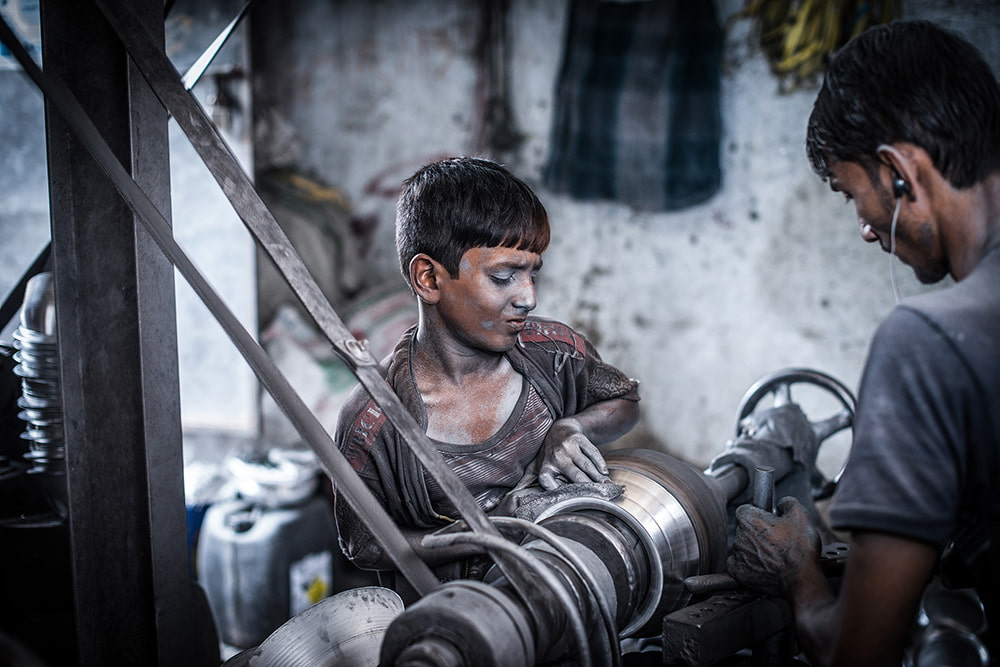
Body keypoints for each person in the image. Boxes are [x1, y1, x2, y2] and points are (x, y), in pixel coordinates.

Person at [727, 20, 1000, 666]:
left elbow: (857, 650)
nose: (866, 230)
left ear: (900, 173)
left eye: (852, 194)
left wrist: (798, 572)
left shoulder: (927, 342)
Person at [333, 157, 640, 589]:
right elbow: (362, 545)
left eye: (532, 274)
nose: (528, 298)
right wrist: (490, 530)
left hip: (570, 595)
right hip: (455, 614)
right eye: (503, 277)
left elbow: (625, 399)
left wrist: (571, 427)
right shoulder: (374, 421)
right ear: (428, 278)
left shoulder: (555, 354)